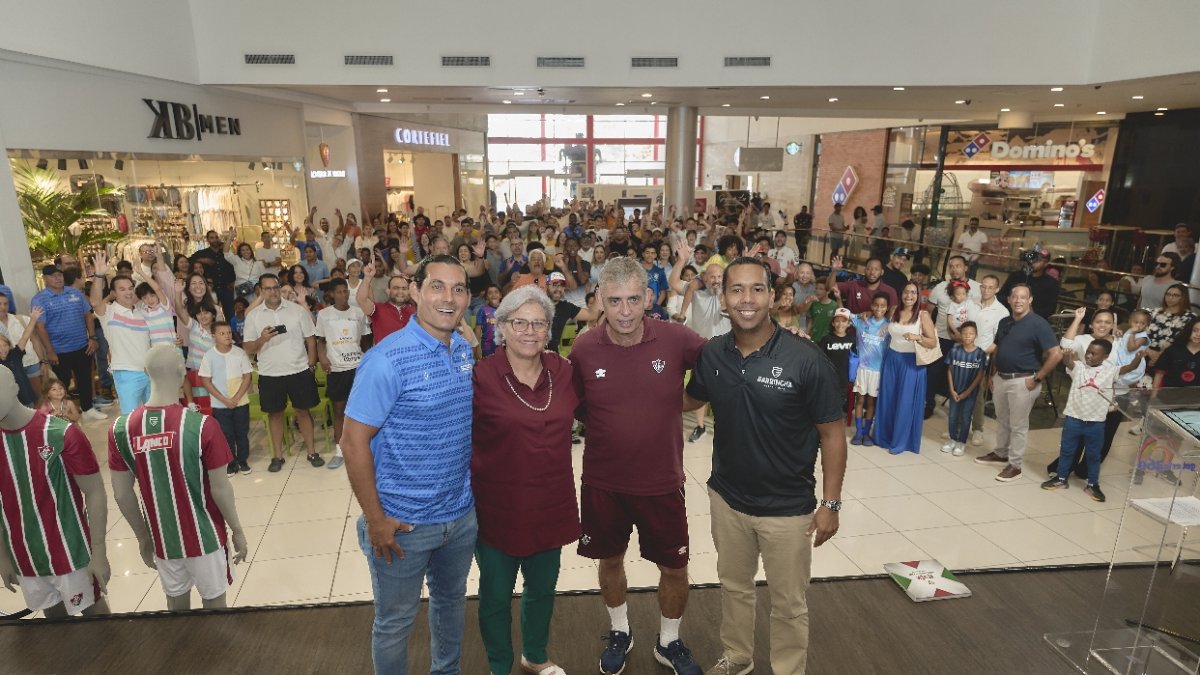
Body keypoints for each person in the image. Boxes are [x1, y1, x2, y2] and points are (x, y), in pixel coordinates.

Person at [682, 258, 847, 675]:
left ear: (773, 296)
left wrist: (831, 503)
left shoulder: (806, 360)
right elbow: (689, 400)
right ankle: (738, 657)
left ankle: (788, 670)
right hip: (727, 500)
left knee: (789, 603)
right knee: (735, 588)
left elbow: (832, 435)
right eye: (737, 290)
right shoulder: (714, 354)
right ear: (724, 299)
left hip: (788, 510)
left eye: (757, 289)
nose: (747, 299)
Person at [568, 256, 708, 675]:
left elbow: (718, 365)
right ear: (599, 301)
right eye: (614, 301)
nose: (625, 311)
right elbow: (576, 405)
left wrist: (685, 401)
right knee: (609, 562)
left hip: (662, 482)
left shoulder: (676, 338)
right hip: (604, 482)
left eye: (633, 299)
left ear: (649, 296)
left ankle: (669, 641)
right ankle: (620, 631)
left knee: (675, 567)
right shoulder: (584, 347)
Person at [342, 254, 477, 675]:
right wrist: (375, 518)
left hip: (459, 516)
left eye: (458, 289)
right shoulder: (386, 359)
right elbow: (352, 442)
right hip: (402, 524)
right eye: (437, 286)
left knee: (451, 605)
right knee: (395, 622)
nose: (448, 298)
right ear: (416, 290)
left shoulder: (463, 350)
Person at [472, 286, 580, 675]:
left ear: (549, 329)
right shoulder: (481, 376)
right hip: (499, 508)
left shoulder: (564, 372)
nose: (529, 331)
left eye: (539, 323)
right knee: (496, 597)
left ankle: (535, 655)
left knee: (542, 591)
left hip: (551, 504)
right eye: (519, 322)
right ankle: (500, 665)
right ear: (501, 326)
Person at [109, 345, 248, 610]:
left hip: (164, 541)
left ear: (148, 374)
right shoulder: (202, 425)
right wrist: (238, 530)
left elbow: (121, 494)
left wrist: (143, 537)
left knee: (176, 611)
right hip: (205, 538)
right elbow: (221, 488)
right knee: (216, 608)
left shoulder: (120, 429)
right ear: (180, 372)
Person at [0, 368, 110, 618]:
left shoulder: (61, 432)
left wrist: (99, 551)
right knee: (54, 633)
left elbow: (94, 491)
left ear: (15, 388)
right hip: (25, 556)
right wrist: (3, 555)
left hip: (72, 554)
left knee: (98, 625)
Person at [975, 285, 1062, 482]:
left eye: (1023, 297)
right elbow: (999, 348)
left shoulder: (1038, 324)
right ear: (1008, 299)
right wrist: (993, 374)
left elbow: (1056, 354)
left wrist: (1037, 378)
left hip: (1024, 381)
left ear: (1030, 300)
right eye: (1014, 296)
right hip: (1001, 378)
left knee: (1018, 425)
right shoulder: (1005, 322)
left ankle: (1015, 465)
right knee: (1003, 419)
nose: (1018, 300)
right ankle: (1001, 452)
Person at [242, 273, 325, 472]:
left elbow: (310, 339)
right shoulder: (253, 317)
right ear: (260, 292)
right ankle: (277, 456)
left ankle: (312, 452)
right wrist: (262, 339)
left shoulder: (297, 311)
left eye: (276, 287)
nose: (273, 291)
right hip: (270, 374)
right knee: (275, 415)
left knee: (303, 413)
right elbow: (248, 348)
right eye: (268, 288)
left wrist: (311, 365)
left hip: (299, 371)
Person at [1041, 340, 1118, 502]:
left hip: (1096, 422)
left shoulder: (1110, 371)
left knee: (1093, 454)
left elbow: (1129, 369)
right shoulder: (1079, 368)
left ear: (1105, 356)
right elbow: (1068, 363)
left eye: (1094, 353)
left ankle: (1092, 484)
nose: (1089, 355)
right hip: (1073, 419)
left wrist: (1139, 358)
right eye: (1088, 352)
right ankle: (1061, 478)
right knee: (1067, 450)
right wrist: (1067, 355)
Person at [32, 264, 104, 422]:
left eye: (60, 275)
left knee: (85, 378)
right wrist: (50, 351)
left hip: (82, 346)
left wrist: (92, 338)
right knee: (61, 384)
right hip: (59, 351)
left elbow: (88, 315)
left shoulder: (75, 293)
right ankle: (60, 414)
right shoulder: (40, 299)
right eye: (53, 276)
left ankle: (87, 409)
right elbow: (40, 327)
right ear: (44, 279)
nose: (58, 278)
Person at [874, 284, 938, 455]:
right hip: (891, 358)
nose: (909, 295)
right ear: (901, 294)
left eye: (913, 292)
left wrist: (917, 337)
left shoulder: (923, 315)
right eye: (906, 292)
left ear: (918, 295)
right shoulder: (894, 309)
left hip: (911, 363)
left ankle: (900, 441)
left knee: (905, 402)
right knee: (888, 398)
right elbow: (884, 327)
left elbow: (933, 342)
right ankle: (883, 436)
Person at [315, 278, 371, 471]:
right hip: (337, 369)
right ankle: (340, 452)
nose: (343, 295)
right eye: (338, 292)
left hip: (357, 368)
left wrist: (366, 361)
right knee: (339, 411)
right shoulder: (324, 315)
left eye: (345, 291)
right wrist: (322, 359)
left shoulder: (358, 313)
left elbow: (365, 340)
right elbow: (320, 341)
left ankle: (363, 449)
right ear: (331, 294)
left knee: (362, 411)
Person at [89, 252, 152, 415]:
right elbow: (95, 302)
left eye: (131, 288)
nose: (128, 292)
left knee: (154, 417)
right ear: (114, 293)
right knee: (132, 419)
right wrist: (99, 275)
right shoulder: (108, 312)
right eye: (122, 289)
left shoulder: (141, 311)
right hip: (126, 373)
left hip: (150, 372)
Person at [926, 255, 982, 418]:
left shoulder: (977, 288)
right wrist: (931, 335)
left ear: (966, 267)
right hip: (942, 338)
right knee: (934, 373)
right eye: (951, 266)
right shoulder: (940, 287)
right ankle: (928, 405)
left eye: (958, 266)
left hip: (966, 342)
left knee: (960, 377)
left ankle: (957, 412)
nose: (954, 269)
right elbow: (929, 312)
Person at [198, 322, 253, 475]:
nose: (227, 336)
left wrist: (235, 398)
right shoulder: (209, 356)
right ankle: (231, 462)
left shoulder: (239, 353)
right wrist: (224, 400)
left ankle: (243, 460)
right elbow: (206, 381)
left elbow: (247, 377)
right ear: (214, 336)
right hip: (220, 405)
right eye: (222, 333)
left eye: (229, 332)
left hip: (240, 402)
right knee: (226, 434)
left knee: (242, 433)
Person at [968, 275, 1010, 446]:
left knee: (977, 394)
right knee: (959, 391)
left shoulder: (1001, 312)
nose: (985, 290)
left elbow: (998, 341)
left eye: (990, 287)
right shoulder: (971, 303)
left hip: (981, 358)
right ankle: (957, 426)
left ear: (997, 289)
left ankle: (977, 429)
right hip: (963, 354)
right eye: (983, 286)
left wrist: (978, 353)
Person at [849, 293, 890, 446]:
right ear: (871, 306)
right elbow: (843, 313)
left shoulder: (889, 326)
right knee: (859, 400)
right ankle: (858, 432)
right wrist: (861, 313)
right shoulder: (862, 321)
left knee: (871, 402)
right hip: (862, 369)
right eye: (876, 305)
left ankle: (867, 432)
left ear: (886, 308)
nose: (879, 308)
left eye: (883, 306)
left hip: (877, 371)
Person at [942, 322, 987, 456]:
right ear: (960, 335)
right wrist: (952, 389)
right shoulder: (954, 351)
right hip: (955, 391)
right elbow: (949, 370)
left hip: (970, 393)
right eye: (965, 333)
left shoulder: (980, 354)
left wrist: (967, 392)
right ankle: (952, 439)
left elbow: (980, 375)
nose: (968, 336)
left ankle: (961, 442)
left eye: (971, 334)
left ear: (976, 335)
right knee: (953, 416)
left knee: (966, 417)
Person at [0, 298, 45, 405]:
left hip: (27, 395)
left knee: (37, 400)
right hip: (12, 402)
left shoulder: (15, 355)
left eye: (5, 345)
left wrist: (33, 319)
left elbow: (26, 337)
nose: (3, 349)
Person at [357, 263, 416, 345]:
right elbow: (361, 300)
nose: (400, 292)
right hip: (385, 357)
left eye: (404, 288)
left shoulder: (415, 312)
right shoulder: (377, 309)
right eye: (396, 288)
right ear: (388, 291)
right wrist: (367, 278)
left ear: (409, 292)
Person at [999, 248, 1061, 319]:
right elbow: (1001, 296)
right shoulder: (1015, 276)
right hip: (1009, 317)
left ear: (1045, 263)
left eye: (1037, 260)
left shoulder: (1051, 283)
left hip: (1034, 321)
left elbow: (1050, 309)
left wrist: (1031, 313)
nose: (1032, 262)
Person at [190, 230, 237, 319]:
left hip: (226, 288)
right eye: (212, 238)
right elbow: (189, 260)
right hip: (211, 289)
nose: (215, 240)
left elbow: (233, 266)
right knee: (213, 314)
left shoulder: (224, 252)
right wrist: (203, 260)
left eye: (216, 237)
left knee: (231, 314)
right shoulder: (203, 253)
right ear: (207, 240)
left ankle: (231, 332)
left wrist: (233, 281)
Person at [827, 256, 898, 314]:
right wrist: (834, 271)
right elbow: (830, 287)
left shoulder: (890, 292)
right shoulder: (854, 285)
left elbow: (892, 316)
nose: (872, 272)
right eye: (869, 269)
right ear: (864, 270)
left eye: (876, 269)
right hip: (851, 329)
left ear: (882, 272)